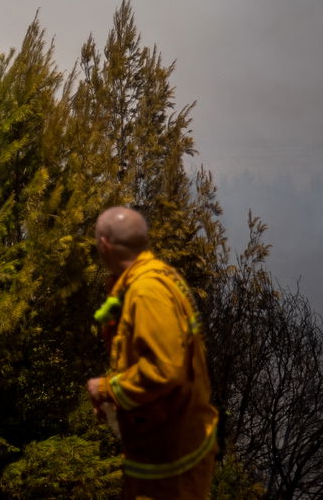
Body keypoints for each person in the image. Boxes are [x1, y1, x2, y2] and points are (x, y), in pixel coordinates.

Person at [86, 206, 218, 500]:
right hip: (168, 446)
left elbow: (164, 370)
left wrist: (107, 389)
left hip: (170, 465)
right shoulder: (156, 276)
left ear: (104, 245)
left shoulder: (146, 292)